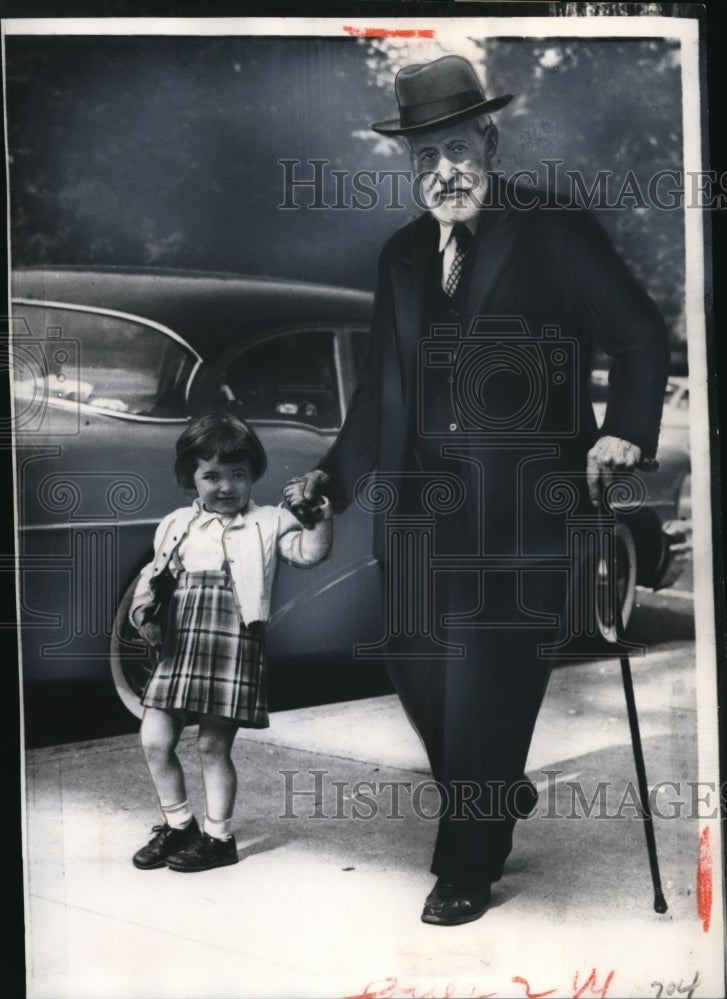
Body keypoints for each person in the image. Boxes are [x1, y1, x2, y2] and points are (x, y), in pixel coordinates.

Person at [283, 55, 669, 925]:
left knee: (484, 693)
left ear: (487, 138)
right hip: (419, 522)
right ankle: (489, 786)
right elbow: (382, 390)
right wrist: (331, 484)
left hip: (525, 517)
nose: (442, 172)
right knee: (416, 672)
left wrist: (625, 430)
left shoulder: (554, 231)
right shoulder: (402, 256)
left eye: (454, 148)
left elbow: (640, 336)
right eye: (423, 159)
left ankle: (466, 860)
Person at [130, 412, 332, 873]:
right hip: (180, 645)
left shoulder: (270, 521)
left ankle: (218, 838)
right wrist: (145, 611)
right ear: (190, 477)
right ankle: (180, 825)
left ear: (253, 475)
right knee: (155, 739)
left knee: (211, 746)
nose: (225, 486)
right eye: (211, 475)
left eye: (237, 475)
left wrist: (319, 522)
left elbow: (308, 554)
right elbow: (157, 574)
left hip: (233, 642)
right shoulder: (176, 523)